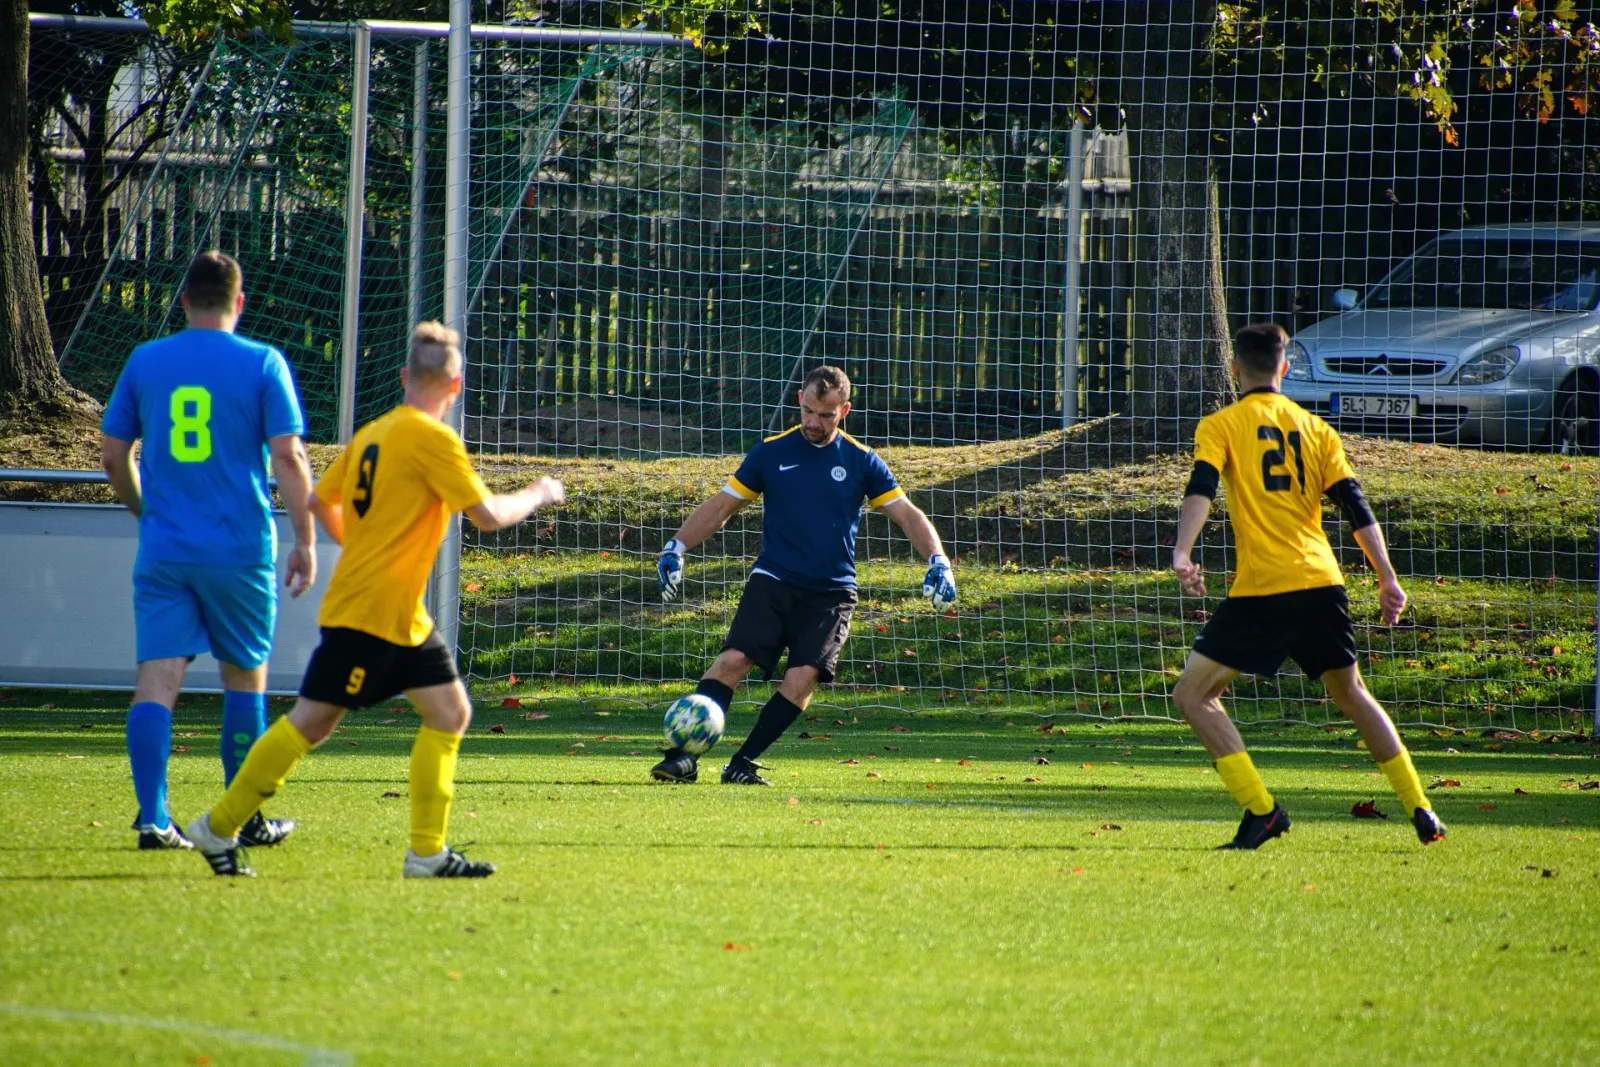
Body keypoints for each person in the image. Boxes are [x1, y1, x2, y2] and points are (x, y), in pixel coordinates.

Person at [184, 322, 565, 877]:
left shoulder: (373, 434)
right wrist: (538, 492)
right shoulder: (433, 439)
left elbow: (320, 501)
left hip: (398, 613)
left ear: (406, 376)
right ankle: (217, 827)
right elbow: (487, 516)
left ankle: (427, 854)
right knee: (312, 722)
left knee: (450, 712)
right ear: (456, 385)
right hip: (372, 612)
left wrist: (365, 546)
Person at [1169, 322, 1447, 849]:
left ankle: (1262, 811)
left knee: (1192, 694)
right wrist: (1386, 576)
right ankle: (1422, 808)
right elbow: (1356, 507)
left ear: (1235, 369)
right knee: (1353, 694)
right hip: (1322, 581)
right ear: (1285, 367)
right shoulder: (1317, 429)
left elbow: (1202, 486)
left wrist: (1183, 551)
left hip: (1266, 587)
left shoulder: (1221, 424)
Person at [100, 250, 315, 852]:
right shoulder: (262, 362)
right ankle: (241, 819)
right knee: (244, 679)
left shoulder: (146, 360)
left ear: (185, 300)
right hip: (239, 549)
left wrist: (147, 513)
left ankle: (153, 818)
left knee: (157, 679)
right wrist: (305, 538)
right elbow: (289, 456)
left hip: (166, 550)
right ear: (239, 302)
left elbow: (114, 457)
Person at [650, 365, 957, 786]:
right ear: (799, 399)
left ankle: (741, 763)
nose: (814, 422)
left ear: (844, 411)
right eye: (809, 411)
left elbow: (906, 514)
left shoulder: (861, 460)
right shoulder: (770, 452)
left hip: (831, 592)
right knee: (733, 660)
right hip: (773, 579)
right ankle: (683, 756)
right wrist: (677, 546)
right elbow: (721, 507)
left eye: (826, 415)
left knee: (804, 677)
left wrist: (938, 559)